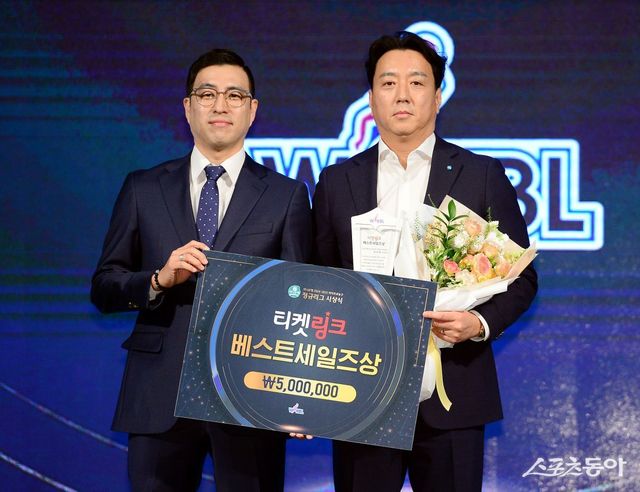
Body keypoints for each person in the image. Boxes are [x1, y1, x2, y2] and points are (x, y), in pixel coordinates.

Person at [313, 32, 537, 491]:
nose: (402, 95)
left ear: (437, 97)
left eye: (416, 83)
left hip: (454, 390)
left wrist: (478, 323)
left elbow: (522, 277)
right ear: (371, 98)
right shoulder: (336, 182)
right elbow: (320, 283)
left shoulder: (481, 174)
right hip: (361, 393)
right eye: (388, 83)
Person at [91, 48, 312, 492]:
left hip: (250, 397)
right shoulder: (143, 187)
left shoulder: (286, 195)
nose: (220, 105)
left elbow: (300, 300)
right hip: (158, 395)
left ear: (252, 110)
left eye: (234, 95)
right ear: (188, 107)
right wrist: (158, 280)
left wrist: (297, 398)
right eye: (207, 94)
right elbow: (104, 286)